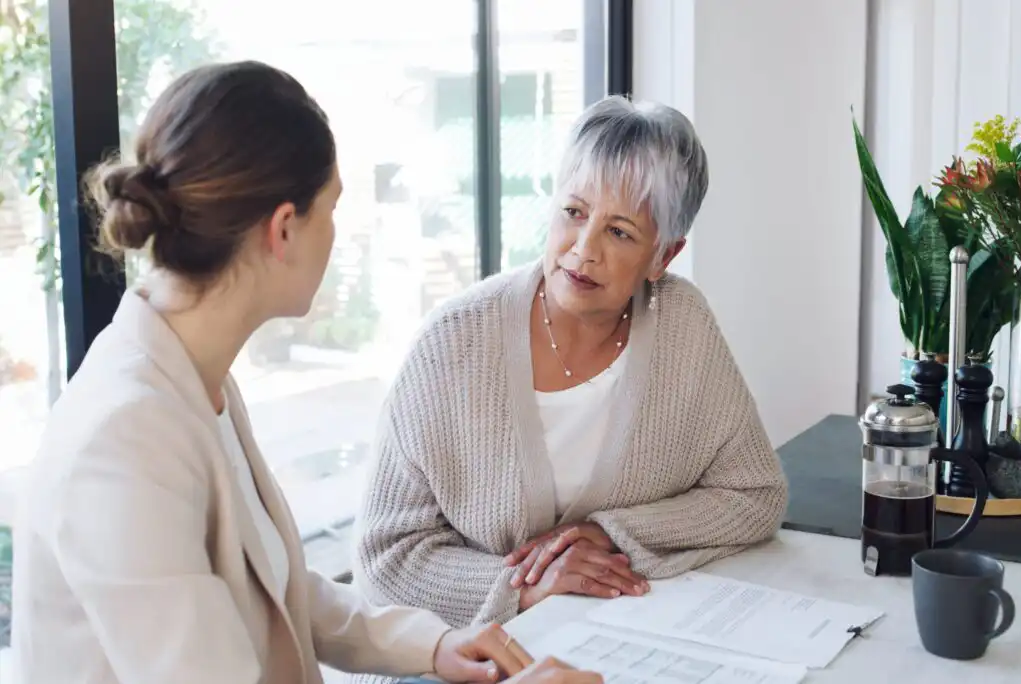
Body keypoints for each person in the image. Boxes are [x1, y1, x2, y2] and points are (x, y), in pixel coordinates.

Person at [9, 61, 599, 684]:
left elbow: (275, 585)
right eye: (332, 207)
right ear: (284, 229)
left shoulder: (193, 378)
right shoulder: (122, 443)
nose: (336, 234)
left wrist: (434, 645)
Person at [352, 96, 789, 642]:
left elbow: (754, 494)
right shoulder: (455, 340)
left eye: (620, 232)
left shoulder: (684, 325)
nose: (584, 250)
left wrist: (607, 533)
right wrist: (526, 586)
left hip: (611, 642)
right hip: (458, 657)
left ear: (664, 256)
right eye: (574, 212)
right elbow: (384, 558)